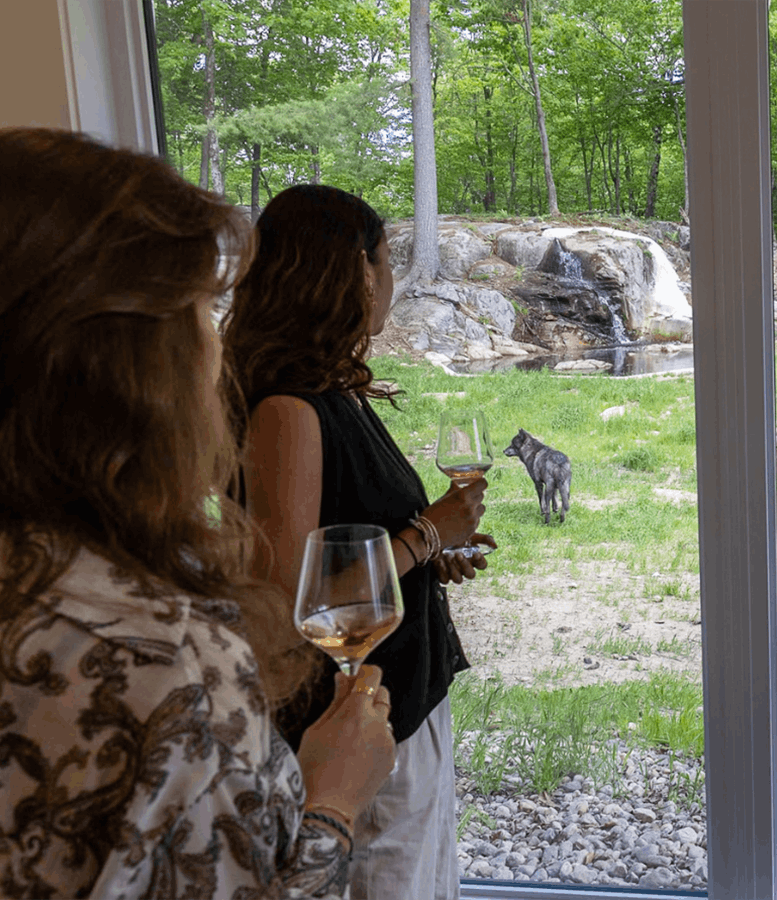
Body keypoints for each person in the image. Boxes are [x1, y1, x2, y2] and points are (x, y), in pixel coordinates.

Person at [0, 127, 396, 898]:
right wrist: (336, 801)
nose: (220, 339)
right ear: (132, 368)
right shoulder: (165, 660)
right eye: (206, 307)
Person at [221, 184, 492, 900]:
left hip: (396, 699)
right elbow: (290, 601)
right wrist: (428, 531)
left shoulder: (330, 389)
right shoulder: (286, 409)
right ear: (356, 273)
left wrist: (433, 552)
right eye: (385, 258)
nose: (392, 279)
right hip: (354, 718)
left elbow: (351, 537)